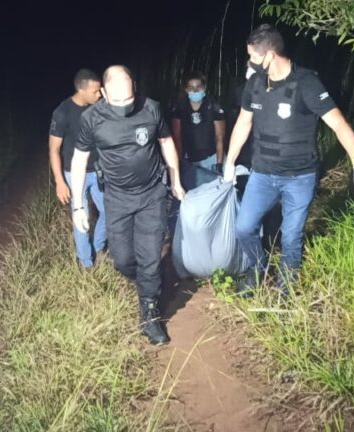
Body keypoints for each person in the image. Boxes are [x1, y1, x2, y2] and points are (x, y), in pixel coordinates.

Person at [223, 24, 354, 295]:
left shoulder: (307, 83)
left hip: (299, 176)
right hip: (262, 174)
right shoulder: (254, 83)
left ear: (270, 55)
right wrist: (230, 160)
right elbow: (243, 122)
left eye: (253, 57)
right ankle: (257, 269)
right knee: (244, 227)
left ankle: (287, 286)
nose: (250, 63)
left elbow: (339, 124)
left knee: (291, 235)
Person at [70, 65, 186, 345]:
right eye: (118, 101)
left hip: (151, 195)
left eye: (129, 100)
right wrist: (78, 205)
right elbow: (78, 160)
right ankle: (148, 280)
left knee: (148, 256)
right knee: (122, 260)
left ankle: (149, 312)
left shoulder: (151, 109)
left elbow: (167, 142)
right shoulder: (91, 118)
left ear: (135, 88)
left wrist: (175, 179)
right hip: (117, 197)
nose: (125, 106)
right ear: (105, 93)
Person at [48, 69, 105, 268]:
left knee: (110, 210)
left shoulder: (99, 108)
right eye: (95, 91)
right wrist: (60, 182)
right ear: (82, 90)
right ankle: (86, 263)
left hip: (98, 170)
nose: (99, 95)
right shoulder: (62, 112)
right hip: (74, 173)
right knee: (80, 216)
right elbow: (54, 150)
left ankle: (97, 247)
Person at [170, 72, 226, 189]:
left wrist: (219, 164)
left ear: (204, 87)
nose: (195, 91)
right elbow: (177, 138)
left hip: (211, 159)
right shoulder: (180, 108)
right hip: (190, 160)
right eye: (191, 88)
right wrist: (180, 163)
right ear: (186, 90)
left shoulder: (213, 106)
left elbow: (219, 138)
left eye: (198, 87)